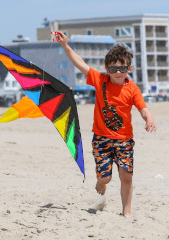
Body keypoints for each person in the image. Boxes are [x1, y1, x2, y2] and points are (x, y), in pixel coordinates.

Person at [56, 32, 156, 217]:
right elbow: (80, 64)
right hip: (101, 139)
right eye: (113, 69)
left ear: (129, 68)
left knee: (126, 176)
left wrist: (148, 118)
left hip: (125, 140)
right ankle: (101, 181)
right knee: (106, 177)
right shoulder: (100, 80)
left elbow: (143, 108)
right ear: (106, 69)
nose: (118, 73)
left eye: (122, 68)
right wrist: (65, 46)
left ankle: (126, 211)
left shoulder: (132, 89)